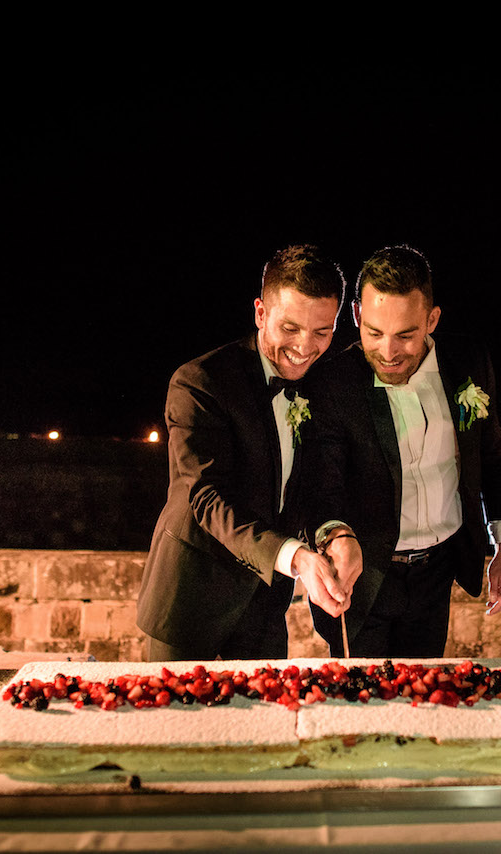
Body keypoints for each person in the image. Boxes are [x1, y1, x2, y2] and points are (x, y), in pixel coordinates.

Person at [137, 245, 351, 661]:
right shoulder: (200, 381)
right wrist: (296, 558)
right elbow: (207, 498)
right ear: (260, 313)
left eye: (322, 331)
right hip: (190, 598)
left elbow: (317, 485)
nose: (305, 347)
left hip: (264, 609)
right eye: (290, 328)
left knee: (264, 722)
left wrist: (335, 532)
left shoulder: (323, 386)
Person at [303, 245, 501, 657]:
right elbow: (320, 485)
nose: (388, 351)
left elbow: (491, 455)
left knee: (424, 699)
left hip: (438, 572)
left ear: (431, 319)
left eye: (406, 335)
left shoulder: (468, 362)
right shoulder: (333, 384)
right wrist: (335, 536)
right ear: (357, 316)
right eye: (374, 333)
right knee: (363, 706)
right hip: (365, 578)